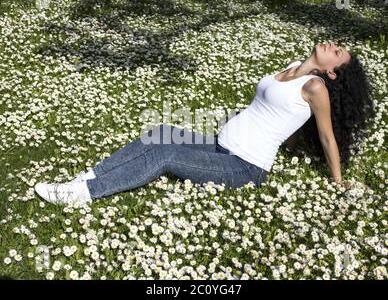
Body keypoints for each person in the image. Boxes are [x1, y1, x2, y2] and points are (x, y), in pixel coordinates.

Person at [34, 42, 374, 205]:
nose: (333, 46)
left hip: (245, 167)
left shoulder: (315, 87)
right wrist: (290, 143)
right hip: (220, 144)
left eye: (339, 52)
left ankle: (82, 194)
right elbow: (284, 119)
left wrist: (338, 181)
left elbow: (327, 137)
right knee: (160, 132)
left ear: (331, 72)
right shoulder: (290, 67)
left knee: (163, 154)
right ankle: (92, 175)